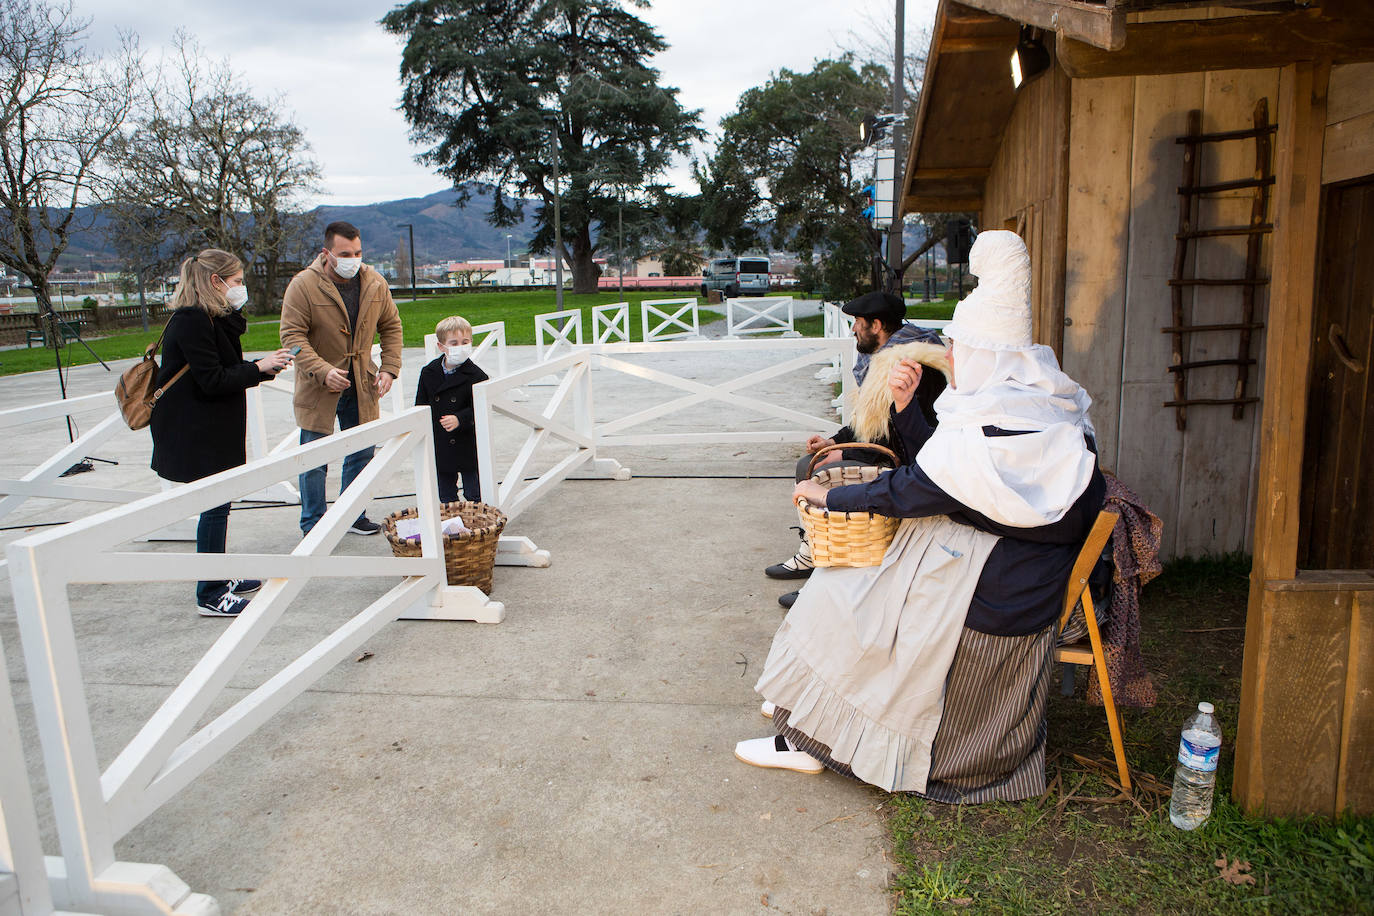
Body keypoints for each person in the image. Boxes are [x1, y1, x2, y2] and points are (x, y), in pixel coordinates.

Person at [736, 231, 1106, 803]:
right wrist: (908, 410)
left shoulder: (998, 427)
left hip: (999, 591)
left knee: (850, 593)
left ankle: (810, 738)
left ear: (987, 356)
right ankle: (806, 710)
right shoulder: (1036, 410)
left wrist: (828, 497)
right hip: (1007, 568)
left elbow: (920, 488)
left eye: (959, 349)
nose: (951, 358)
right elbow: (944, 478)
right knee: (857, 583)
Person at [766, 291, 945, 609]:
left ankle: (828, 573)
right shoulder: (884, 358)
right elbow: (869, 420)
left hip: (913, 464)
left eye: (858, 323)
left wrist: (853, 454)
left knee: (819, 472)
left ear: (876, 325)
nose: (853, 330)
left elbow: (902, 434)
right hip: (887, 451)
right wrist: (835, 442)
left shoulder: (910, 366)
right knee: (810, 462)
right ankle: (814, 553)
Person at [150, 249, 294, 617]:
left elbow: (222, 370)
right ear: (215, 282)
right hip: (197, 431)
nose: (241, 288)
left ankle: (218, 573)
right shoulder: (192, 320)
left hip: (210, 427)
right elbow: (212, 380)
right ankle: (210, 592)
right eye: (237, 281)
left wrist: (264, 368)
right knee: (215, 507)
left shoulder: (211, 319)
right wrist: (257, 367)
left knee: (220, 505)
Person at [281, 221, 404, 535]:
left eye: (358, 252)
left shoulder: (375, 282)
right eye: (345, 253)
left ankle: (352, 514)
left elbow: (391, 326)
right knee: (313, 455)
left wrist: (389, 368)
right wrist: (323, 371)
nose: (353, 259)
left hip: (362, 383)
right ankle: (313, 522)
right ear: (327, 253)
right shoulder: (303, 285)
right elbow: (292, 338)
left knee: (362, 450)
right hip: (318, 385)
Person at [416, 315, 489, 503]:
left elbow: (481, 409)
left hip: (467, 443)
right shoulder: (428, 372)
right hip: (440, 442)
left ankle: (476, 525)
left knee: (474, 493)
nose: (460, 346)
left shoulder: (478, 375)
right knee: (445, 493)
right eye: (454, 343)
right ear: (441, 346)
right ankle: (452, 525)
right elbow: (420, 405)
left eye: (465, 342)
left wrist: (460, 419)